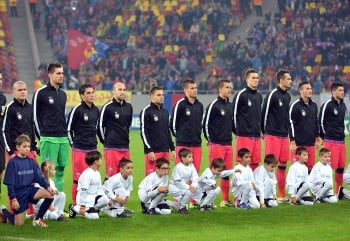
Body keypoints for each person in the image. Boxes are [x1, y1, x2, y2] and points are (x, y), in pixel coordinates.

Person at [0, 134, 55, 227]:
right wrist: (13, 199)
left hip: (29, 190)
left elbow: (39, 178)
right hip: (18, 194)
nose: (27, 149)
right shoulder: (13, 162)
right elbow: (10, 184)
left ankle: (38, 219)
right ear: (18, 147)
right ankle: (3, 210)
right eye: (24, 146)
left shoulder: (31, 161)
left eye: (29, 146)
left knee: (49, 195)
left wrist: (47, 187)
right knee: (18, 224)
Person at [32, 62, 68, 191]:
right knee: (47, 172)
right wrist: (41, 137)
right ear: (50, 75)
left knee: (60, 171)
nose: (61, 76)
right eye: (58, 73)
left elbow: (62, 116)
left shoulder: (63, 94)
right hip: (48, 138)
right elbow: (35, 117)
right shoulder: (40, 93)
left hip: (62, 138)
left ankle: (58, 206)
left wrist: (66, 135)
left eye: (62, 73)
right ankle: (46, 206)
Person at [261, 69, 292, 203]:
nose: (290, 81)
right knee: (270, 163)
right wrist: (263, 130)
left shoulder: (288, 96)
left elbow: (287, 117)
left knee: (283, 163)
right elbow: (264, 113)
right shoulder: (272, 94)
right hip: (272, 134)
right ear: (281, 80)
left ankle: (280, 194)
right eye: (288, 79)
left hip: (284, 135)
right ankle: (267, 195)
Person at [203, 79, 234, 207]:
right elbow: (205, 124)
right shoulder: (213, 105)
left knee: (226, 173)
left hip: (228, 143)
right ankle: (206, 202)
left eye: (230, 87)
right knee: (213, 174)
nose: (229, 89)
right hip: (216, 144)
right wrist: (210, 139)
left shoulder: (230, 105)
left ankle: (225, 200)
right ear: (220, 89)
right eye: (227, 87)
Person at [67, 84, 99, 204]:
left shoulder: (96, 110)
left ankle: (90, 202)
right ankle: (75, 204)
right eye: (88, 93)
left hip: (93, 150)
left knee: (93, 179)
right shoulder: (77, 110)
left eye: (92, 92)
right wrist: (74, 145)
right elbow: (68, 129)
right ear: (82, 95)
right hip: (80, 150)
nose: (91, 95)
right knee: (78, 179)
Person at [98, 82, 133, 178]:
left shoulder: (129, 107)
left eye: (124, 90)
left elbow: (127, 125)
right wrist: (106, 141)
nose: (122, 92)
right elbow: (99, 126)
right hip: (112, 148)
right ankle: (105, 193)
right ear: (113, 92)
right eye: (120, 89)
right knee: (111, 177)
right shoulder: (107, 107)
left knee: (125, 177)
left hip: (125, 147)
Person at [140, 86, 175, 176]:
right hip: (153, 152)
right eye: (158, 95)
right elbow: (144, 132)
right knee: (151, 179)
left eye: (162, 95)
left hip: (165, 150)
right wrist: (149, 150)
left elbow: (167, 131)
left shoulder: (165, 112)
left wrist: (172, 149)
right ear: (151, 96)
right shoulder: (146, 111)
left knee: (164, 178)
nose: (162, 97)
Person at [170, 79, 203, 172]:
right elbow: (172, 124)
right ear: (185, 90)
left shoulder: (199, 105)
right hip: (183, 144)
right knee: (182, 173)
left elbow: (200, 124)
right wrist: (181, 137)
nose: (195, 90)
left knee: (195, 173)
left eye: (196, 88)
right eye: (192, 88)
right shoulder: (180, 104)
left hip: (197, 144)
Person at [232, 69, 262, 171]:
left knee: (255, 164)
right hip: (244, 135)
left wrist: (260, 130)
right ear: (246, 79)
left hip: (256, 136)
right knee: (242, 163)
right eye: (253, 78)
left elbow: (259, 115)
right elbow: (233, 114)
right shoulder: (241, 94)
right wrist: (238, 132)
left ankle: (252, 186)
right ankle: (238, 186)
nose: (256, 80)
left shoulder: (259, 96)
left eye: (257, 78)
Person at [319, 82, 346, 192]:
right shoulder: (328, 104)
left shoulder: (343, 105)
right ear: (333, 91)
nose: (342, 92)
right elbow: (320, 121)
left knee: (340, 168)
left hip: (341, 141)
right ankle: (325, 191)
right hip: (330, 140)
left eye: (343, 90)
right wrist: (323, 136)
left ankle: (337, 191)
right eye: (340, 90)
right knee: (328, 167)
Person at [69, 150, 109, 219]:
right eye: (100, 159)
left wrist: (107, 199)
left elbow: (99, 189)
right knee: (95, 217)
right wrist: (82, 206)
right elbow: (83, 191)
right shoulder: (86, 174)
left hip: (93, 197)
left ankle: (92, 210)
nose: (102, 160)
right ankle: (74, 208)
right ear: (96, 161)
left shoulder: (97, 173)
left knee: (105, 200)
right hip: (85, 198)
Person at [289, 81, 320, 172]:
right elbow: (290, 123)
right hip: (299, 144)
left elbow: (316, 122)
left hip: (310, 143)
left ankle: (307, 186)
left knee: (310, 169)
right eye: (307, 89)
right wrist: (292, 141)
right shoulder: (295, 106)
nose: (310, 90)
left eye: (310, 88)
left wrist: (317, 138)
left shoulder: (314, 105)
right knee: (298, 170)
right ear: (301, 91)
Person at [2, 81, 36, 160]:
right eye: (19, 90)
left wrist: (34, 148)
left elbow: (32, 128)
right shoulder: (10, 108)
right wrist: (10, 152)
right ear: (14, 92)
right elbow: (4, 131)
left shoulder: (30, 107)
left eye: (24, 89)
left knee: (32, 171)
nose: (22, 92)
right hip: (16, 150)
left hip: (29, 149)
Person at [169, 148, 199, 214]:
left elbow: (195, 177)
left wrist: (193, 186)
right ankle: (183, 208)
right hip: (174, 187)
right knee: (188, 191)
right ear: (183, 158)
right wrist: (189, 187)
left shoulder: (191, 165)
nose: (192, 158)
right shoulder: (178, 167)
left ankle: (167, 203)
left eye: (192, 157)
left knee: (196, 190)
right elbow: (177, 182)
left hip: (182, 187)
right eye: (189, 157)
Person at [0, 71, 7, 195]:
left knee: (0, 172)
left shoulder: (2, 98)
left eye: (1, 79)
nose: (0, 81)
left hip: (0, 139)